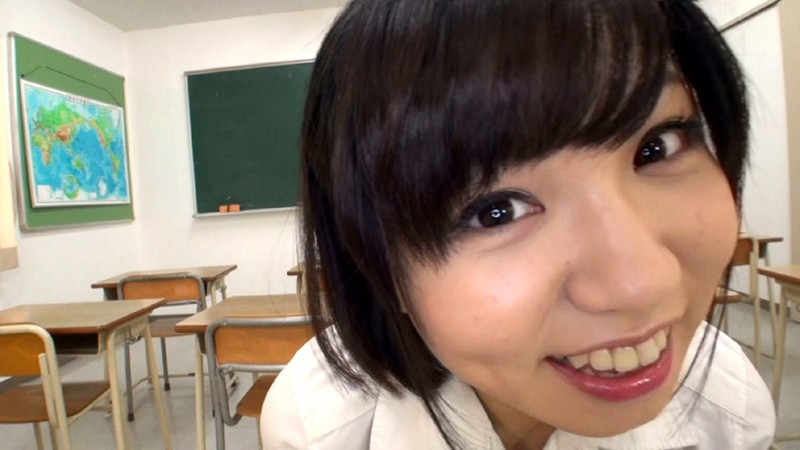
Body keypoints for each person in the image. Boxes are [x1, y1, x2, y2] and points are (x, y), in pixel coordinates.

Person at [262, 1, 776, 448]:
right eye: (497, 211)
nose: (642, 284)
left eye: (656, 146)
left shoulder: (729, 410)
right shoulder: (317, 427)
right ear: (378, 262)